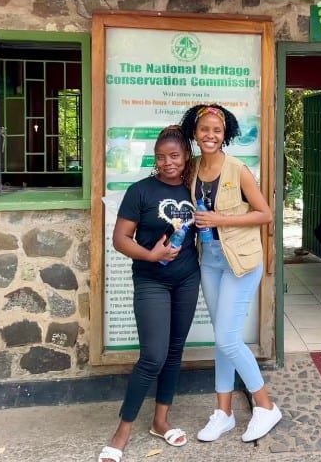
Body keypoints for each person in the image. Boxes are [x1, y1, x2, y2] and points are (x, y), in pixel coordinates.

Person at [180, 104, 282, 443]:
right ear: (194, 133)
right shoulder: (192, 168)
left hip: (240, 261)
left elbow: (265, 214)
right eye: (204, 130)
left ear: (226, 135)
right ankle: (223, 413)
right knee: (222, 338)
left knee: (227, 337)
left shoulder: (238, 170)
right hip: (209, 260)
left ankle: (265, 406)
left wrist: (221, 220)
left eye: (217, 131)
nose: (210, 135)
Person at [98, 126, 200, 462]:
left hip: (187, 278)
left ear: (186, 156)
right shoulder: (140, 191)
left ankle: (160, 421)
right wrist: (152, 255)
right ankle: (121, 432)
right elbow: (120, 239)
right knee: (153, 356)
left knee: (173, 352)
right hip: (151, 279)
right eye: (161, 156)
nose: (167, 162)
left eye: (174, 155)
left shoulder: (194, 188)